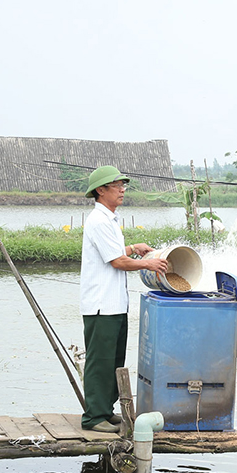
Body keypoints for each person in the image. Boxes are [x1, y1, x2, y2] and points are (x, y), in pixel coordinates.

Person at [80, 165, 168, 433]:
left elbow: (117, 252)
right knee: (100, 360)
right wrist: (147, 265)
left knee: (114, 359)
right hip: (101, 304)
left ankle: (105, 411)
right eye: (116, 185)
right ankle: (94, 417)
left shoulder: (110, 220)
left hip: (114, 303)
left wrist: (133, 248)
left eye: (123, 185)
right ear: (100, 190)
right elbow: (117, 261)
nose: (122, 190)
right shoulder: (98, 220)